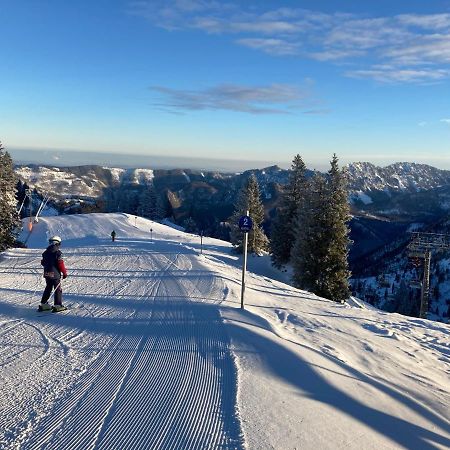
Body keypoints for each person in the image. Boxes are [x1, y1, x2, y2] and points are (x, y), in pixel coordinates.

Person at [39, 236, 67, 311]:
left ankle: (43, 303)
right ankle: (58, 305)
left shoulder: (45, 253)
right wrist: (64, 273)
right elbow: (60, 264)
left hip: (47, 273)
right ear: (57, 243)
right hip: (55, 274)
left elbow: (43, 262)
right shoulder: (58, 253)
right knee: (57, 288)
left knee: (48, 287)